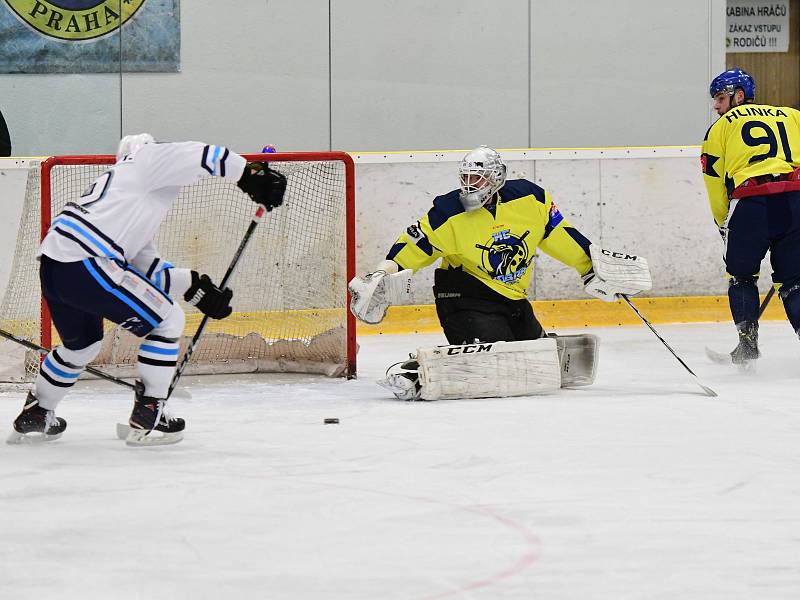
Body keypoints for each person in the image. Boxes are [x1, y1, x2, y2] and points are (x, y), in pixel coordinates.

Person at [7, 134, 286, 445]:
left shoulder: (126, 201)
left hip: (57, 266)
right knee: (168, 321)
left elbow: (146, 269)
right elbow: (201, 154)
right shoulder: (145, 159)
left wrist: (195, 286)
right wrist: (249, 174)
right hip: (88, 260)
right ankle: (150, 411)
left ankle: (37, 412)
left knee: (82, 345)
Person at [348, 146, 652, 400]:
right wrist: (382, 273)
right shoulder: (448, 212)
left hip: (513, 299)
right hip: (465, 296)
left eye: (477, 179)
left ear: (496, 179)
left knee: (537, 365)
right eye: (466, 177)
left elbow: (561, 235)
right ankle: (418, 372)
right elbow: (412, 247)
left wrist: (592, 267)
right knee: (499, 363)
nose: (470, 185)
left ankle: (496, 349)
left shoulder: (530, 200)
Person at [702, 68, 800, 367]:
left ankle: (747, 345)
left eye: (720, 98)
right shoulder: (792, 115)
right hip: (795, 201)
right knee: (795, 282)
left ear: (738, 95)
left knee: (742, 277)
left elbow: (714, 180)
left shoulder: (719, 128)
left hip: (751, 204)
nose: (717, 106)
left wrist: (722, 222)